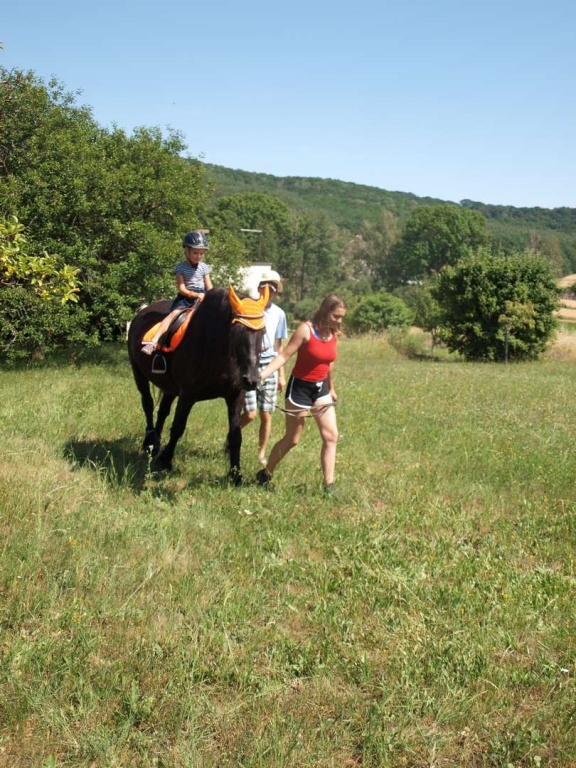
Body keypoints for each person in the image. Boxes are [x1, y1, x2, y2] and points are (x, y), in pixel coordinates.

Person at [255, 293, 347, 494]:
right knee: (292, 439)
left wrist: (331, 388)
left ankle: (329, 485)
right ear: (325, 311)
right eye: (336, 316)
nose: (339, 321)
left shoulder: (333, 334)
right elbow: (284, 356)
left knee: (331, 436)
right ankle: (266, 473)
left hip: (321, 389)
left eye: (341, 317)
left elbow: (329, 363)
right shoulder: (306, 330)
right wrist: (261, 376)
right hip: (300, 389)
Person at [240, 270, 288, 464]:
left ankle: (261, 454)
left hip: (270, 366)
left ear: (276, 292)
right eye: (265, 286)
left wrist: (281, 375)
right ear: (259, 288)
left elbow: (279, 347)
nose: (269, 291)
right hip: (250, 366)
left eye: (273, 288)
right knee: (250, 414)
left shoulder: (279, 314)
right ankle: (231, 437)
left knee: (266, 415)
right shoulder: (249, 308)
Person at [142, 230, 213, 354]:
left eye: (201, 253)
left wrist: (211, 297)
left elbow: (209, 287)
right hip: (186, 298)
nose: (198, 256)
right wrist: (196, 295)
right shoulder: (180, 268)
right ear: (187, 251)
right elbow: (182, 288)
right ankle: (153, 342)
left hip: (202, 297)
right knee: (173, 315)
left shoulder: (204, 267)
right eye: (195, 253)